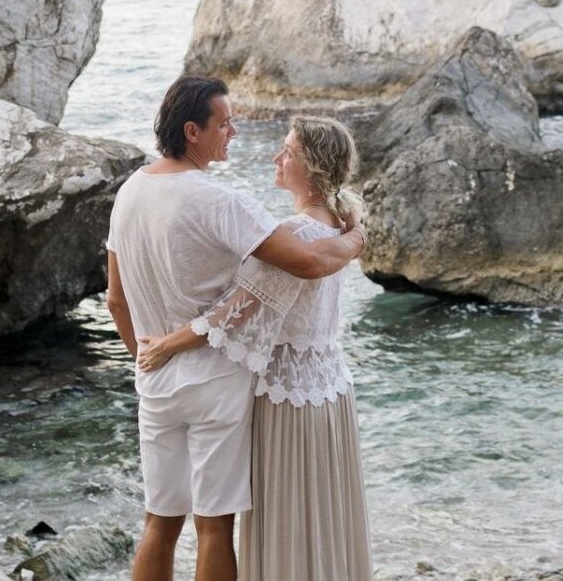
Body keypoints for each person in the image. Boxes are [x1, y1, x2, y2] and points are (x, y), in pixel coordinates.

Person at [105, 77, 367, 581]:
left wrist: (145, 359)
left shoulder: (130, 191)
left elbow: (116, 299)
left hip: (155, 380)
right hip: (216, 382)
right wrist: (357, 236)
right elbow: (308, 262)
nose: (235, 132)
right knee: (214, 528)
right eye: (224, 123)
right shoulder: (220, 201)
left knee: (159, 522)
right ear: (192, 131)